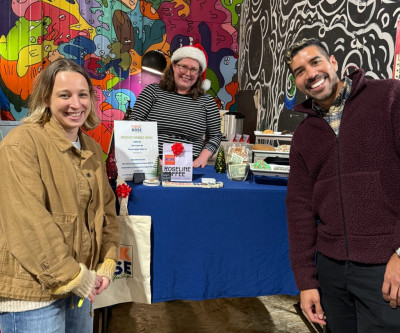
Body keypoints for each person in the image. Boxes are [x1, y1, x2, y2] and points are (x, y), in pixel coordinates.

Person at [284, 37, 400, 332]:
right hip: (331, 269)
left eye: (315, 62)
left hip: (386, 263)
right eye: (299, 71)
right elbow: (299, 208)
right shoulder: (304, 135)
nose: (310, 74)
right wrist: (306, 282)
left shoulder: (388, 97)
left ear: (333, 62)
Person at [0, 59, 120, 332]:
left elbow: (106, 212)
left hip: (78, 287)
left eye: (82, 95)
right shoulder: (20, 144)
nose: (75, 104)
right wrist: (74, 275)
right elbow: (29, 222)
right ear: (46, 97)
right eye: (64, 95)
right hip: (33, 292)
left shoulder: (90, 147)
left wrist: (105, 263)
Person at [129, 44, 222, 168]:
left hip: (190, 167)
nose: (188, 73)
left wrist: (202, 158)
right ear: (173, 66)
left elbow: (215, 136)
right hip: (152, 164)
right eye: (183, 67)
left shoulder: (207, 101)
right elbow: (134, 124)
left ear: (199, 73)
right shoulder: (152, 92)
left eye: (194, 69)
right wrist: (149, 158)